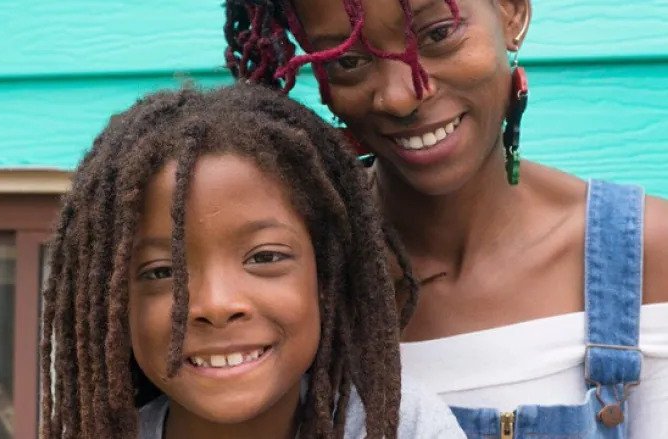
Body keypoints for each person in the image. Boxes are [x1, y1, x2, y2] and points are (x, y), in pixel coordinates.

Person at [222, 0, 668, 437]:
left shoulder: (646, 253)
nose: (400, 96)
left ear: (512, 12)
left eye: (438, 34)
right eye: (350, 60)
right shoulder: (296, 269)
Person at [39, 84, 465, 438]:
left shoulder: (400, 427)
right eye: (162, 272)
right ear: (112, 308)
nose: (216, 306)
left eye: (264, 257)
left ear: (326, 278)